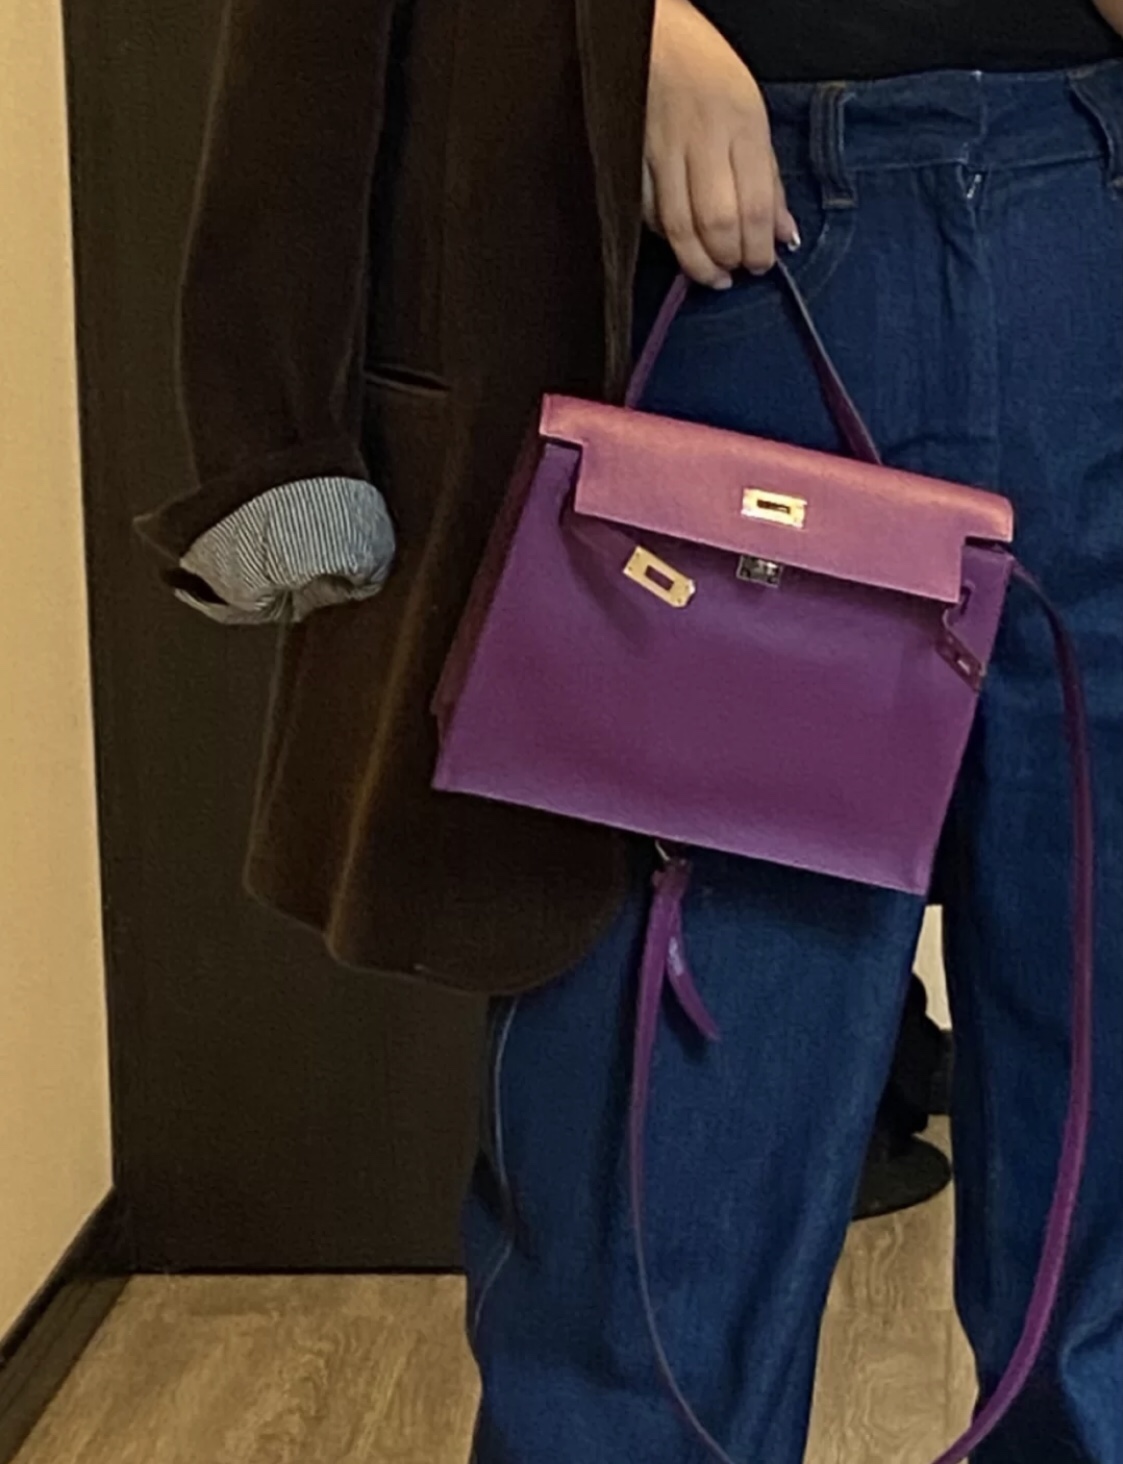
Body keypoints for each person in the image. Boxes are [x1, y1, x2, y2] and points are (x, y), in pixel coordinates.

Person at [142, 1, 1123, 1460]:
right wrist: (610, 28)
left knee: (1101, 1230)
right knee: (663, 1258)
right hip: (725, 251)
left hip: (1090, 207)